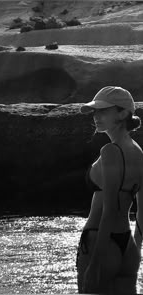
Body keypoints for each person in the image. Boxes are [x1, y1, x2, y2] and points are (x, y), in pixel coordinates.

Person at [76, 86, 143, 294]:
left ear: (123, 113)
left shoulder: (110, 151)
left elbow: (110, 209)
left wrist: (95, 263)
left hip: (100, 242)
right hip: (128, 247)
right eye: (95, 111)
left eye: (103, 111)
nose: (96, 116)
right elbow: (142, 211)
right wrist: (136, 251)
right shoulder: (139, 153)